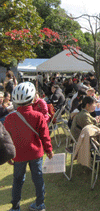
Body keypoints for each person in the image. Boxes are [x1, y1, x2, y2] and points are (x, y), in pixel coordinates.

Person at [4, 82, 53, 211]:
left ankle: (15, 207)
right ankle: (40, 204)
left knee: (17, 180)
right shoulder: (38, 116)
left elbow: (6, 140)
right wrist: (49, 150)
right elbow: (45, 136)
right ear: (32, 99)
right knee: (38, 178)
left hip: (18, 154)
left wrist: (8, 155)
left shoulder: (9, 118)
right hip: (36, 153)